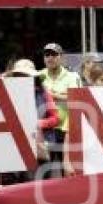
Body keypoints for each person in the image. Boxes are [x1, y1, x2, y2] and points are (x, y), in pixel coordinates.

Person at [38, 43, 81, 178]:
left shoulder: (72, 76)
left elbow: (75, 99)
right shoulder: (38, 76)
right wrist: (61, 95)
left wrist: (51, 95)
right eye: (47, 55)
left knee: (67, 172)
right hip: (45, 130)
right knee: (44, 171)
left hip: (66, 129)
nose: (50, 58)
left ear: (61, 57)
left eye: (54, 54)